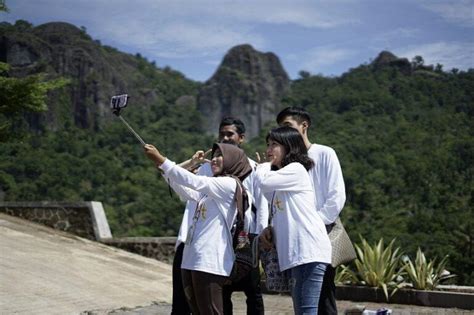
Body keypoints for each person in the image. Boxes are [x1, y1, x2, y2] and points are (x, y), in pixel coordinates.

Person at [172, 117, 267, 315]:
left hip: (241, 241)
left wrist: (257, 239)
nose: (225, 138)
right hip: (201, 239)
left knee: (252, 292)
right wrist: (190, 163)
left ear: (241, 138)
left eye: (229, 134)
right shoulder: (207, 167)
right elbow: (179, 182)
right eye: (222, 134)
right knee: (214, 296)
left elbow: (261, 204)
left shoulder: (253, 168)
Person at [144, 142, 252, 314]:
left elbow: (193, 181)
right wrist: (185, 163)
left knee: (210, 311)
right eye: (213, 156)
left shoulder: (229, 185)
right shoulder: (209, 191)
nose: (214, 160)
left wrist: (160, 159)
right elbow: (177, 182)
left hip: (209, 261)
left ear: (233, 161)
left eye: (220, 156)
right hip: (192, 259)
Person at [276, 106, 346, 315]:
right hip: (294, 238)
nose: (284, 132)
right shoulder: (285, 162)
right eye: (281, 128)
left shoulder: (324, 153)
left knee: (324, 296)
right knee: (302, 298)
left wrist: (315, 224)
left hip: (320, 234)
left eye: (288, 126)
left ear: (304, 126)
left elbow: (336, 196)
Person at [255, 126, 332, 315]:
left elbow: (263, 182)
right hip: (297, 255)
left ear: (289, 147)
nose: (269, 150)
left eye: (274, 145)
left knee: (306, 311)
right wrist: (269, 228)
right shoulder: (282, 179)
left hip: (308, 252)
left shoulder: (296, 170)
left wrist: (262, 166)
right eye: (268, 145)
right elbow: (266, 192)